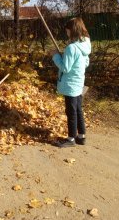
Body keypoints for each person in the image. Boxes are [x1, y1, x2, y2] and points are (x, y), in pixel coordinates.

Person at [51, 17, 91, 148]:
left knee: (71, 112)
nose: (66, 33)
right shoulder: (84, 45)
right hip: (79, 82)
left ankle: (71, 139)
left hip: (70, 84)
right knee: (78, 109)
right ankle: (81, 136)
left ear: (72, 30)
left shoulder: (72, 48)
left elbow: (65, 68)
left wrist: (56, 56)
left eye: (67, 31)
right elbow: (85, 63)